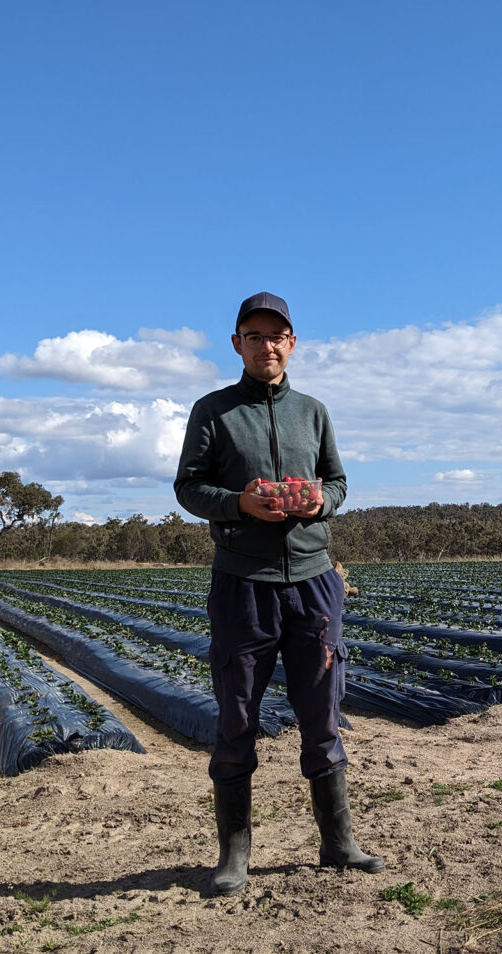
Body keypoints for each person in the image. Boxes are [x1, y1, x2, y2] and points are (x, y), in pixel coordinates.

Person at [174, 291, 385, 895]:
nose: (267, 346)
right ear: (237, 343)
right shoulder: (213, 411)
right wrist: (240, 503)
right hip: (243, 584)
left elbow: (339, 480)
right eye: (254, 335)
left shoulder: (313, 412)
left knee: (322, 712)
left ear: (292, 343)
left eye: (277, 336)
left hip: (315, 584)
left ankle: (338, 843)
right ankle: (234, 854)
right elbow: (188, 487)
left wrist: (321, 500)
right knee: (237, 715)